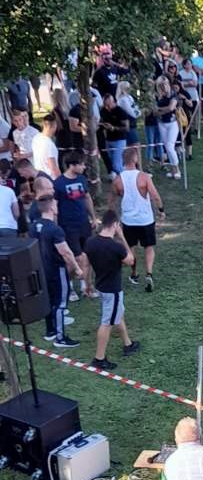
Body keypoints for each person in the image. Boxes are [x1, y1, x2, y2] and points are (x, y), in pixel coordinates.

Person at [84, 210, 140, 370]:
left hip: (101, 286)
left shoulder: (90, 242)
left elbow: (86, 265)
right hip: (113, 290)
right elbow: (131, 260)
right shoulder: (116, 247)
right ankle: (99, 358)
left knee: (118, 314)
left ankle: (128, 344)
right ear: (115, 225)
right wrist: (122, 237)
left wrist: (88, 284)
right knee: (107, 323)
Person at [31, 193, 83, 346]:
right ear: (52, 208)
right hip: (56, 270)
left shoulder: (33, 227)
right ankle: (60, 338)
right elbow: (65, 252)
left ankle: (50, 331)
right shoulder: (55, 229)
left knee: (48, 300)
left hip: (41, 269)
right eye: (55, 204)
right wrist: (77, 268)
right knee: (60, 303)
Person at [113, 146, 165, 292]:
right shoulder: (144, 177)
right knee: (149, 247)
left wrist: (113, 216)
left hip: (128, 220)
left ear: (123, 160)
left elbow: (113, 198)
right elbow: (155, 196)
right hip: (145, 219)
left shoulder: (118, 179)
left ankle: (134, 273)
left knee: (131, 247)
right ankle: (149, 273)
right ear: (135, 159)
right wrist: (161, 210)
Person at [54, 152, 96, 297]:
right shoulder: (58, 183)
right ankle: (69, 286)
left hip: (83, 223)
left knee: (87, 256)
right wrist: (55, 227)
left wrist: (93, 217)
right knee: (76, 258)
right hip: (68, 226)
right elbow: (55, 207)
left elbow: (87, 198)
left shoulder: (82, 179)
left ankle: (86, 286)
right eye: (81, 164)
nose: (84, 167)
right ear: (72, 165)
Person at [154, 75, 181, 178]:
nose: (163, 87)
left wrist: (160, 110)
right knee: (168, 147)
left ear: (168, 84)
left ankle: (177, 169)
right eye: (161, 85)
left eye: (164, 84)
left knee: (170, 146)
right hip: (162, 123)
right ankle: (173, 170)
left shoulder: (173, 95)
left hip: (172, 123)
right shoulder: (158, 96)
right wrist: (161, 110)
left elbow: (171, 108)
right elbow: (155, 112)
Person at [32, 114, 60, 179]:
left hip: (39, 176)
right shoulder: (49, 144)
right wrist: (61, 180)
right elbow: (53, 168)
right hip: (50, 178)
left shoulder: (36, 138)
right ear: (54, 126)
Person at [116, 81, 141, 152]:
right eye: (127, 88)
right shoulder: (122, 100)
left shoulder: (129, 97)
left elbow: (135, 108)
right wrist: (137, 113)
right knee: (134, 145)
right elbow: (131, 112)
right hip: (128, 124)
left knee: (136, 144)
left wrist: (138, 112)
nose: (129, 90)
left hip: (133, 123)